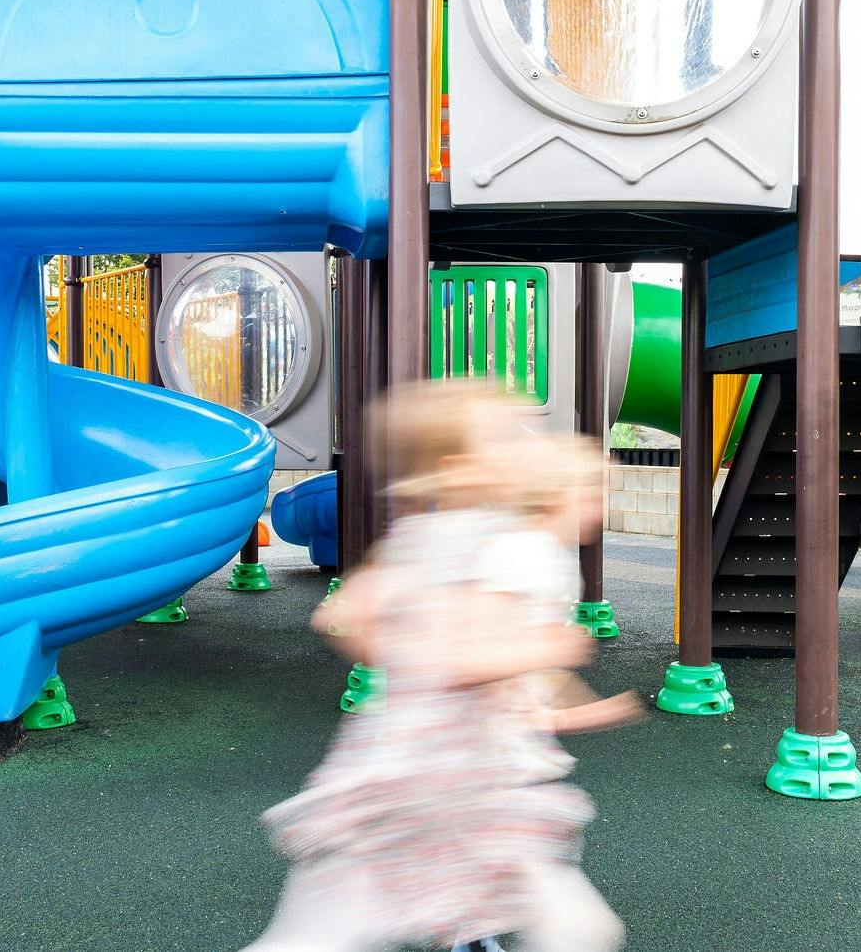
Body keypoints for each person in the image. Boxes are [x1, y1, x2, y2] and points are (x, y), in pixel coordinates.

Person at [242, 382, 634, 952]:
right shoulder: (490, 546)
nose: (520, 449)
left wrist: (398, 658)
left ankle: (471, 934)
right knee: (564, 917)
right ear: (461, 468)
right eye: (503, 440)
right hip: (441, 768)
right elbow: (456, 662)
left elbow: (337, 618)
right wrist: (546, 650)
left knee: (346, 913)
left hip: (429, 758)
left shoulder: (423, 536)